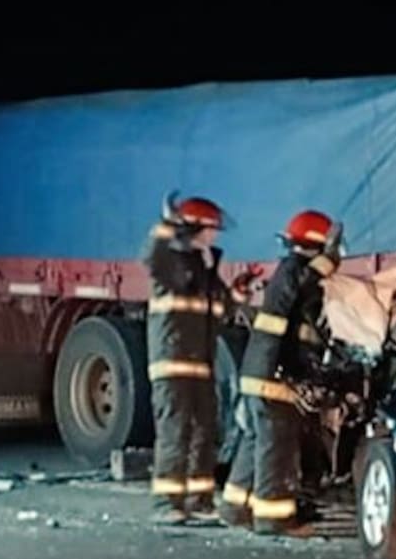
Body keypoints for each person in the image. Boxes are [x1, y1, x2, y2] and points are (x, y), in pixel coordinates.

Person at [219, 209, 342, 535]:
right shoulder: (295, 272)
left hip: (259, 371)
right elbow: (304, 285)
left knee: (255, 441)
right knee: (278, 447)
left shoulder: (288, 272)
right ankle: (274, 519)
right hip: (275, 376)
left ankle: (235, 508)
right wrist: (328, 262)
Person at [143, 191, 258, 525]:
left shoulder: (202, 267)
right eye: (210, 229)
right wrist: (167, 224)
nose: (214, 236)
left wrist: (237, 292)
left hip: (201, 366)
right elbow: (151, 256)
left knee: (203, 432)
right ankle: (166, 503)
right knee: (175, 432)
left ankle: (199, 500)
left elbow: (218, 310)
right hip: (172, 365)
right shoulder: (170, 263)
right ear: (194, 229)